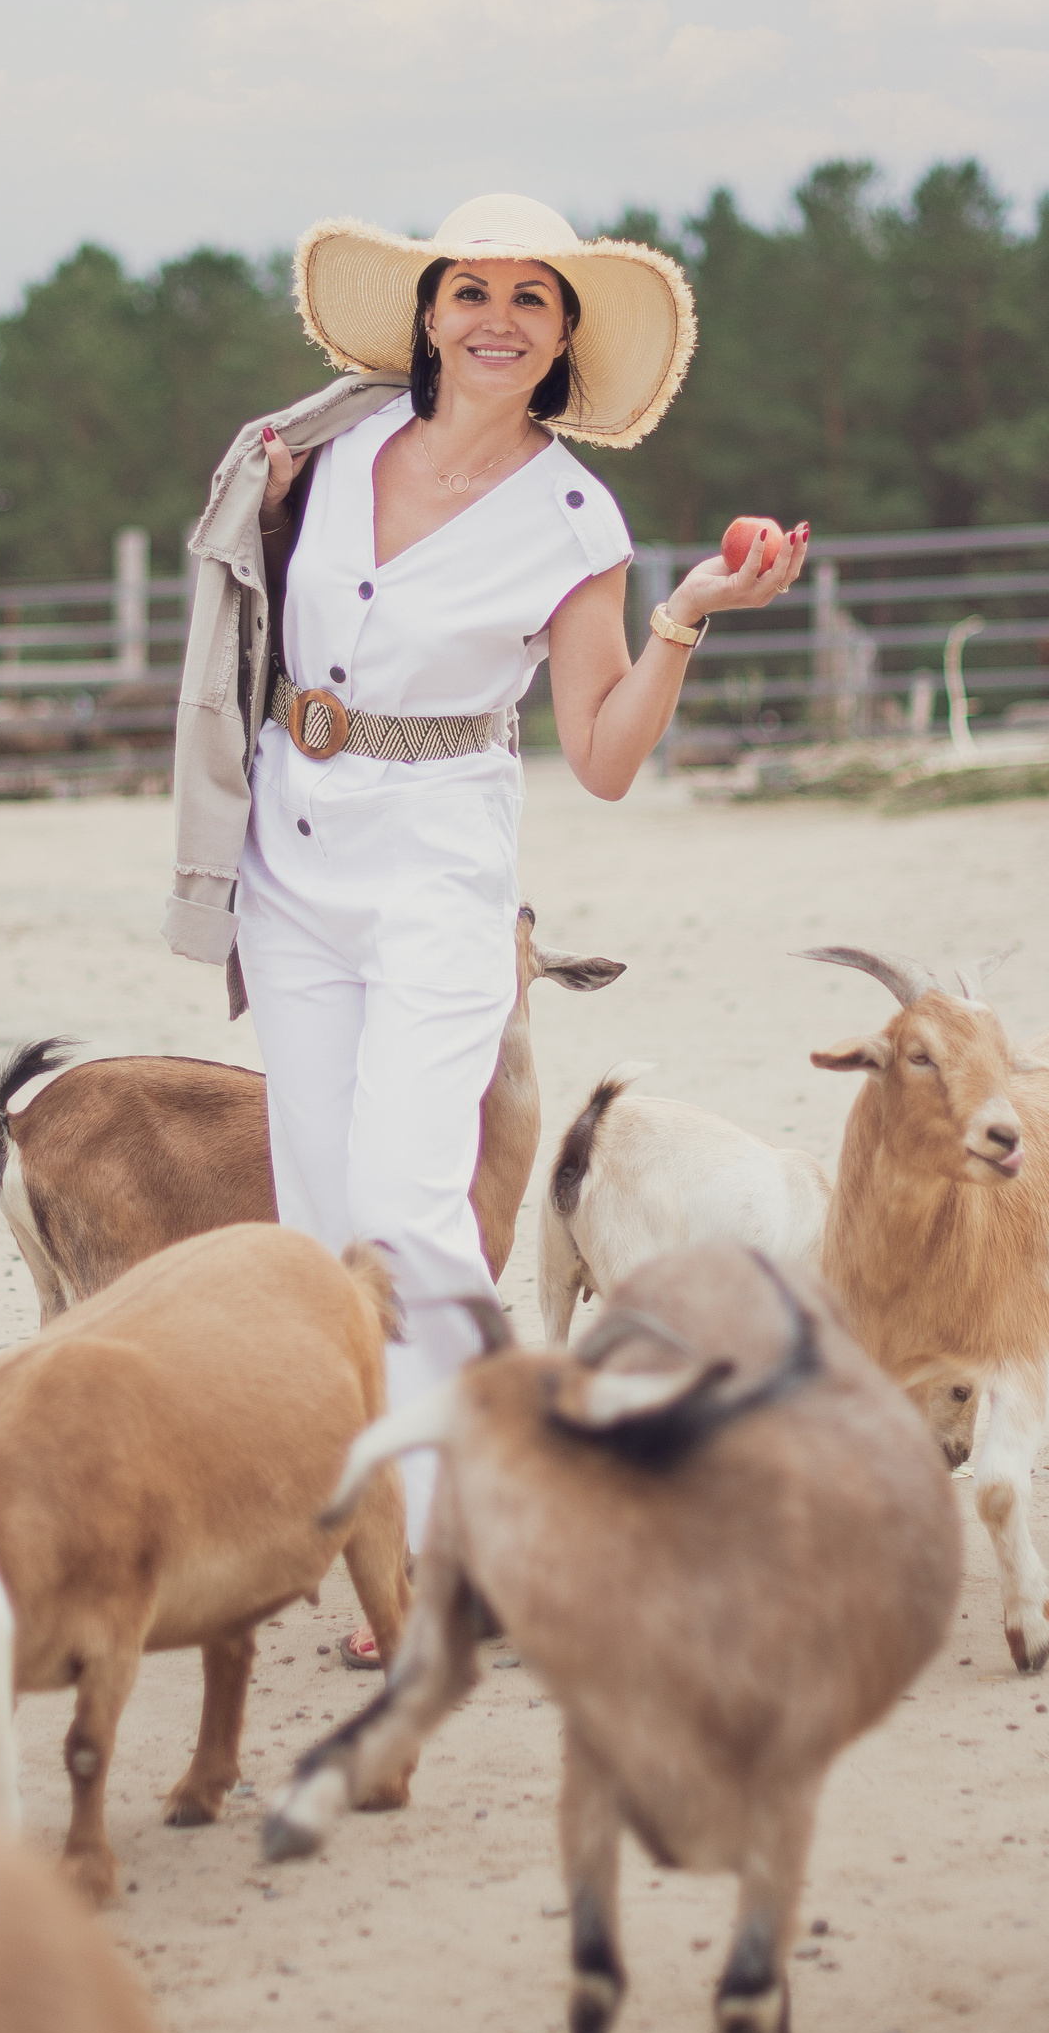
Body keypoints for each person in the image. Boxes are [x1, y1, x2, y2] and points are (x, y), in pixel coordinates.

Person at [165, 194, 805, 1661]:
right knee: (321, 1222)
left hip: (441, 867)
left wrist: (687, 614)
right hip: (291, 853)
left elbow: (602, 756)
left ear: (566, 333)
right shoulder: (317, 456)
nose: (500, 317)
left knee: (408, 1201)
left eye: (534, 296)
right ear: (429, 311)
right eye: (473, 290)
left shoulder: (575, 517)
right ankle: (378, 1538)